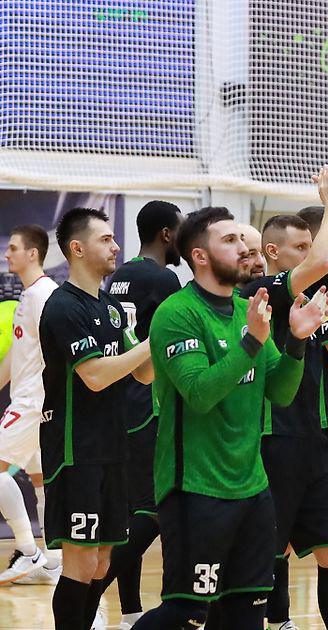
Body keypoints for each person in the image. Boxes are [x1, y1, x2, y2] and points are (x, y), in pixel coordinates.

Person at [131, 207, 327, 629]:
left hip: (253, 490)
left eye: (242, 239)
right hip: (195, 489)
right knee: (187, 613)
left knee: (246, 613)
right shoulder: (177, 313)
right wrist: (252, 343)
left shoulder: (245, 311)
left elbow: (280, 392)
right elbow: (200, 394)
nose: (243, 249)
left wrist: (296, 340)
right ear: (200, 256)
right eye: (230, 240)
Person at [244, 164, 328, 630]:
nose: (313, 253)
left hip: (317, 444)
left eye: (311, 244)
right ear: (273, 251)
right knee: (265, 555)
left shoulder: (320, 291)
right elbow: (324, 263)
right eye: (300, 247)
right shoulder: (261, 292)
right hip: (274, 438)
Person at [40, 208, 154, 630]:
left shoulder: (111, 308)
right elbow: (96, 376)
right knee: (81, 561)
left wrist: (166, 339)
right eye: (105, 239)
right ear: (77, 248)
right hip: (76, 450)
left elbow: (144, 373)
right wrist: (153, 340)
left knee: (103, 561)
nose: (116, 246)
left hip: (113, 447)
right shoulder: (62, 307)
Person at [85, 201, 185, 628]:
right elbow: (178, 337)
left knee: (130, 515)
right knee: (154, 511)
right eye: (181, 230)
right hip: (150, 402)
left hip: (120, 403)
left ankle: (129, 613)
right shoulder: (164, 279)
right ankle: (88, 595)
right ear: (166, 234)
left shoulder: (119, 276)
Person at [0, 225, 61, 586]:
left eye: (13, 248)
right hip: (30, 401)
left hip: (33, 402)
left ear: (33, 253)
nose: (7, 254)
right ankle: (52, 563)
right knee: (41, 483)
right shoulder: (29, 294)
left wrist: (44, 397)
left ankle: (28, 550)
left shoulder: (44, 295)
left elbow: (58, 351)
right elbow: (17, 354)